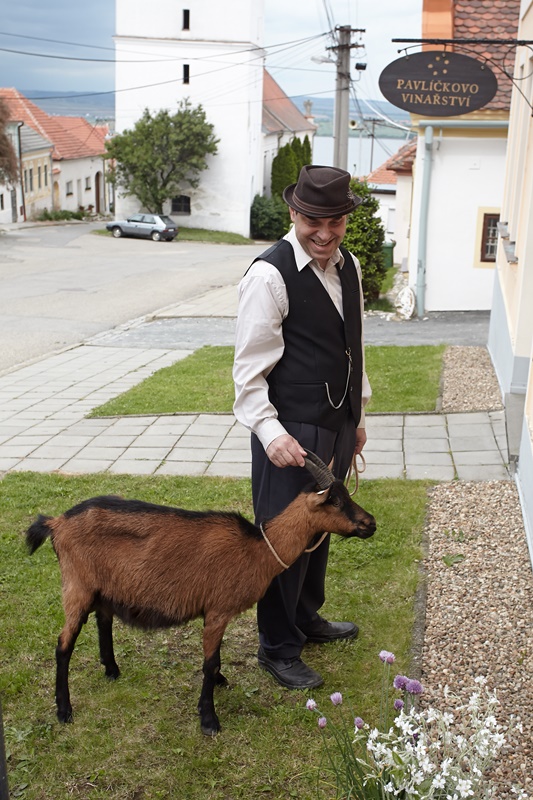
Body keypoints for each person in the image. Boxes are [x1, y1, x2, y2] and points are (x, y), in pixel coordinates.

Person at [233, 165, 371, 690]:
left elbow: (353, 346)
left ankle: (306, 618)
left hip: (335, 425)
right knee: (282, 539)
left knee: (323, 528)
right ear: (294, 212)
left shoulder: (349, 265)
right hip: (289, 434)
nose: (324, 232)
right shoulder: (269, 275)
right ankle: (277, 646)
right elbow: (248, 373)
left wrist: (356, 417)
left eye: (334, 220)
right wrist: (271, 434)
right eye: (313, 219)